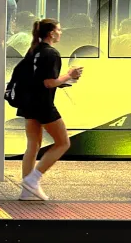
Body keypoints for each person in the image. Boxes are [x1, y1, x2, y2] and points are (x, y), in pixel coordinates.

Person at [17, 18, 83, 201]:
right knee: (63, 143)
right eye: (59, 30)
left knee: (33, 144)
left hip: (28, 103)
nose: (61, 32)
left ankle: (26, 191)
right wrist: (69, 75)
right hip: (43, 105)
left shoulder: (34, 51)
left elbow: (39, 79)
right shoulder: (51, 53)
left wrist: (64, 80)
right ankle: (33, 179)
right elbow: (48, 82)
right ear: (51, 33)